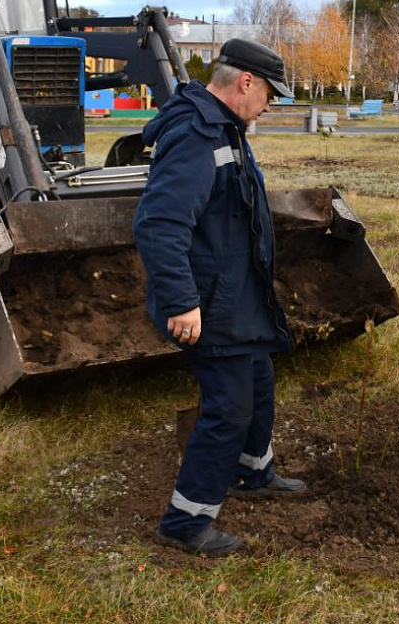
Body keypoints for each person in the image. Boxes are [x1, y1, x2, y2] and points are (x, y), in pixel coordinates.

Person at [133, 38, 305, 556]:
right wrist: (183, 302)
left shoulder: (223, 125)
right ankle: (186, 522)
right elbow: (160, 224)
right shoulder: (194, 133)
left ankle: (254, 471)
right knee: (229, 408)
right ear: (245, 82)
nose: (271, 105)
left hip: (237, 292)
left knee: (259, 381)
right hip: (210, 300)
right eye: (270, 93)